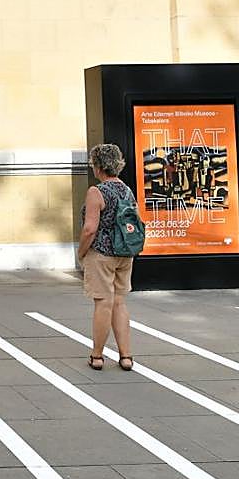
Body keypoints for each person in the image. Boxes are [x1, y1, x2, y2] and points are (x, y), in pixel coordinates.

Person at [78, 143, 135, 371]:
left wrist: (81, 252)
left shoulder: (96, 192)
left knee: (103, 303)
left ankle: (97, 355)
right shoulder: (127, 190)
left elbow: (90, 228)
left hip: (101, 254)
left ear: (99, 166)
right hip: (124, 254)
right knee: (119, 303)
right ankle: (126, 356)